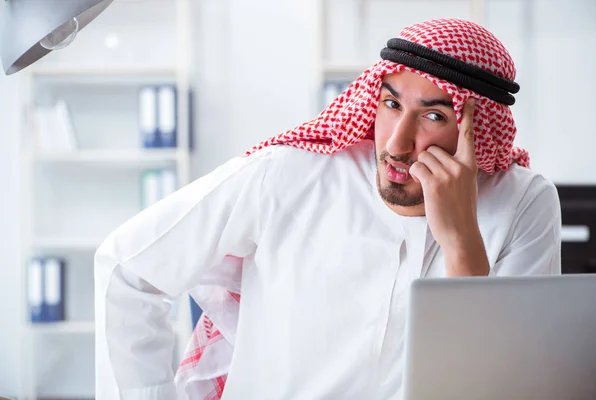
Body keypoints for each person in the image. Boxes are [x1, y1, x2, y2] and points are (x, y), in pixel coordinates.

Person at [94, 18, 561, 400]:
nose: (396, 144)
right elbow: (126, 270)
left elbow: (510, 382)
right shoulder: (289, 175)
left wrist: (462, 243)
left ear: (475, 130)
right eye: (391, 104)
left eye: (434, 116)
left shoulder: (522, 204)